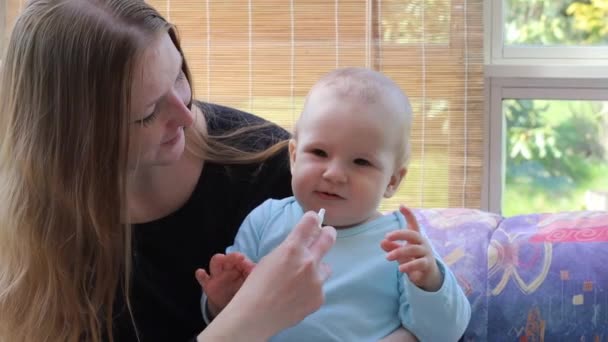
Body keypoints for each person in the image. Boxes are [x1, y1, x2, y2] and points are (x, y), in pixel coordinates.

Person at [0, 1, 338, 341]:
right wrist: (244, 324)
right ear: (73, 138)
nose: (186, 115)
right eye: (148, 112)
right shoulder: (27, 225)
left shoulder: (277, 173)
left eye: (178, 75)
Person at [196, 67, 472, 341]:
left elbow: (444, 332)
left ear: (392, 181)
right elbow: (231, 324)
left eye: (361, 162)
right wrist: (220, 302)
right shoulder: (265, 220)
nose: (334, 174)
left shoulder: (400, 245)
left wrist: (430, 283)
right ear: (293, 157)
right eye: (319, 152)